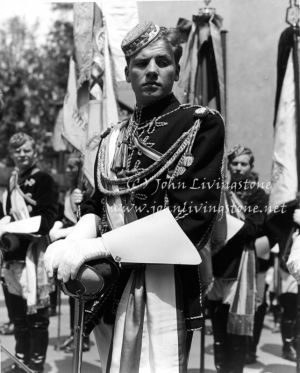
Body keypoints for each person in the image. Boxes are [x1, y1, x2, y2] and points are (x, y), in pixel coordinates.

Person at [45, 21, 225, 372]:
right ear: (127, 72)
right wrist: (82, 229)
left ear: (176, 67)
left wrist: (101, 246)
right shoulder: (111, 136)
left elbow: (192, 220)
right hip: (105, 288)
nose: (153, 71)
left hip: (162, 285)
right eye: (142, 64)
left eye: (162, 62)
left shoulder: (198, 125)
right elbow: (97, 200)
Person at [0, 132, 58, 373]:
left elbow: (47, 219)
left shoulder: (44, 180)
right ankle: (21, 360)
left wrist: (13, 227)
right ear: (11, 154)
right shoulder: (11, 183)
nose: (22, 155)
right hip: (10, 259)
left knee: (36, 319)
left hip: (33, 257)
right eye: (17, 151)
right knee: (18, 319)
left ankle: (35, 365)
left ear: (34, 152)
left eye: (26, 150)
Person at [208, 145, 268, 373]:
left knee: (236, 334)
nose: (239, 168)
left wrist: (226, 225)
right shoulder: (217, 192)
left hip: (241, 265)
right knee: (219, 330)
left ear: (251, 167)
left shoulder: (258, 194)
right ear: (229, 165)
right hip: (217, 265)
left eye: (244, 164)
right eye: (235, 163)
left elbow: (254, 228)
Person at [49, 154, 92, 353]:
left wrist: (82, 202)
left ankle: (82, 336)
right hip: (66, 242)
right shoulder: (66, 191)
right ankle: (74, 334)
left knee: (80, 295)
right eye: (67, 167)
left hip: (81, 246)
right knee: (71, 295)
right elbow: (61, 215)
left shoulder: (87, 190)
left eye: (72, 167)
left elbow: (87, 219)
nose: (68, 170)